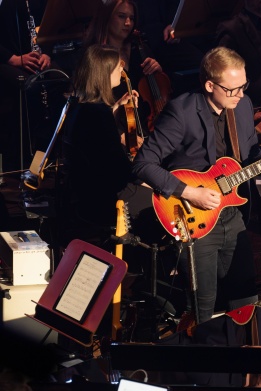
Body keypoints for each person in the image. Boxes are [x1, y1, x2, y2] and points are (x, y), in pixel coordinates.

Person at [131, 47, 261, 383]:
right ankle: (208, 384)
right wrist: (190, 192)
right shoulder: (181, 112)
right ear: (210, 85)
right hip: (193, 219)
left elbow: (251, 153)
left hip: (232, 217)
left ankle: (246, 376)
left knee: (244, 300)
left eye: (243, 87)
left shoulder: (241, 107)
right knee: (206, 311)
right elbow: (142, 164)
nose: (240, 96)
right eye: (232, 89)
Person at [58, 44, 142, 249]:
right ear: (104, 74)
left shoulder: (78, 105)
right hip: (101, 201)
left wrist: (114, 109)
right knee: (158, 204)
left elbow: (94, 142)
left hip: (80, 195)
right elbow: (119, 172)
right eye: (118, 69)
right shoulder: (98, 115)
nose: (122, 72)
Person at [84, 0, 166, 140]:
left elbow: (159, 91)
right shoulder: (97, 57)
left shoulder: (140, 49)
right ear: (107, 17)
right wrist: (120, 135)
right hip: (116, 130)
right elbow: (92, 106)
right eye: (121, 16)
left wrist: (158, 72)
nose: (128, 23)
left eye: (132, 18)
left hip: (148, 125)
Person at [0, 0, 52, 171]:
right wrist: (13, 59)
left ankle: (48, 156)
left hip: (28, 58)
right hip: (6, 59)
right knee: (29, 86)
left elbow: (45, 33)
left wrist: (45, 54)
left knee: (59, 79)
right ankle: (19, 163)